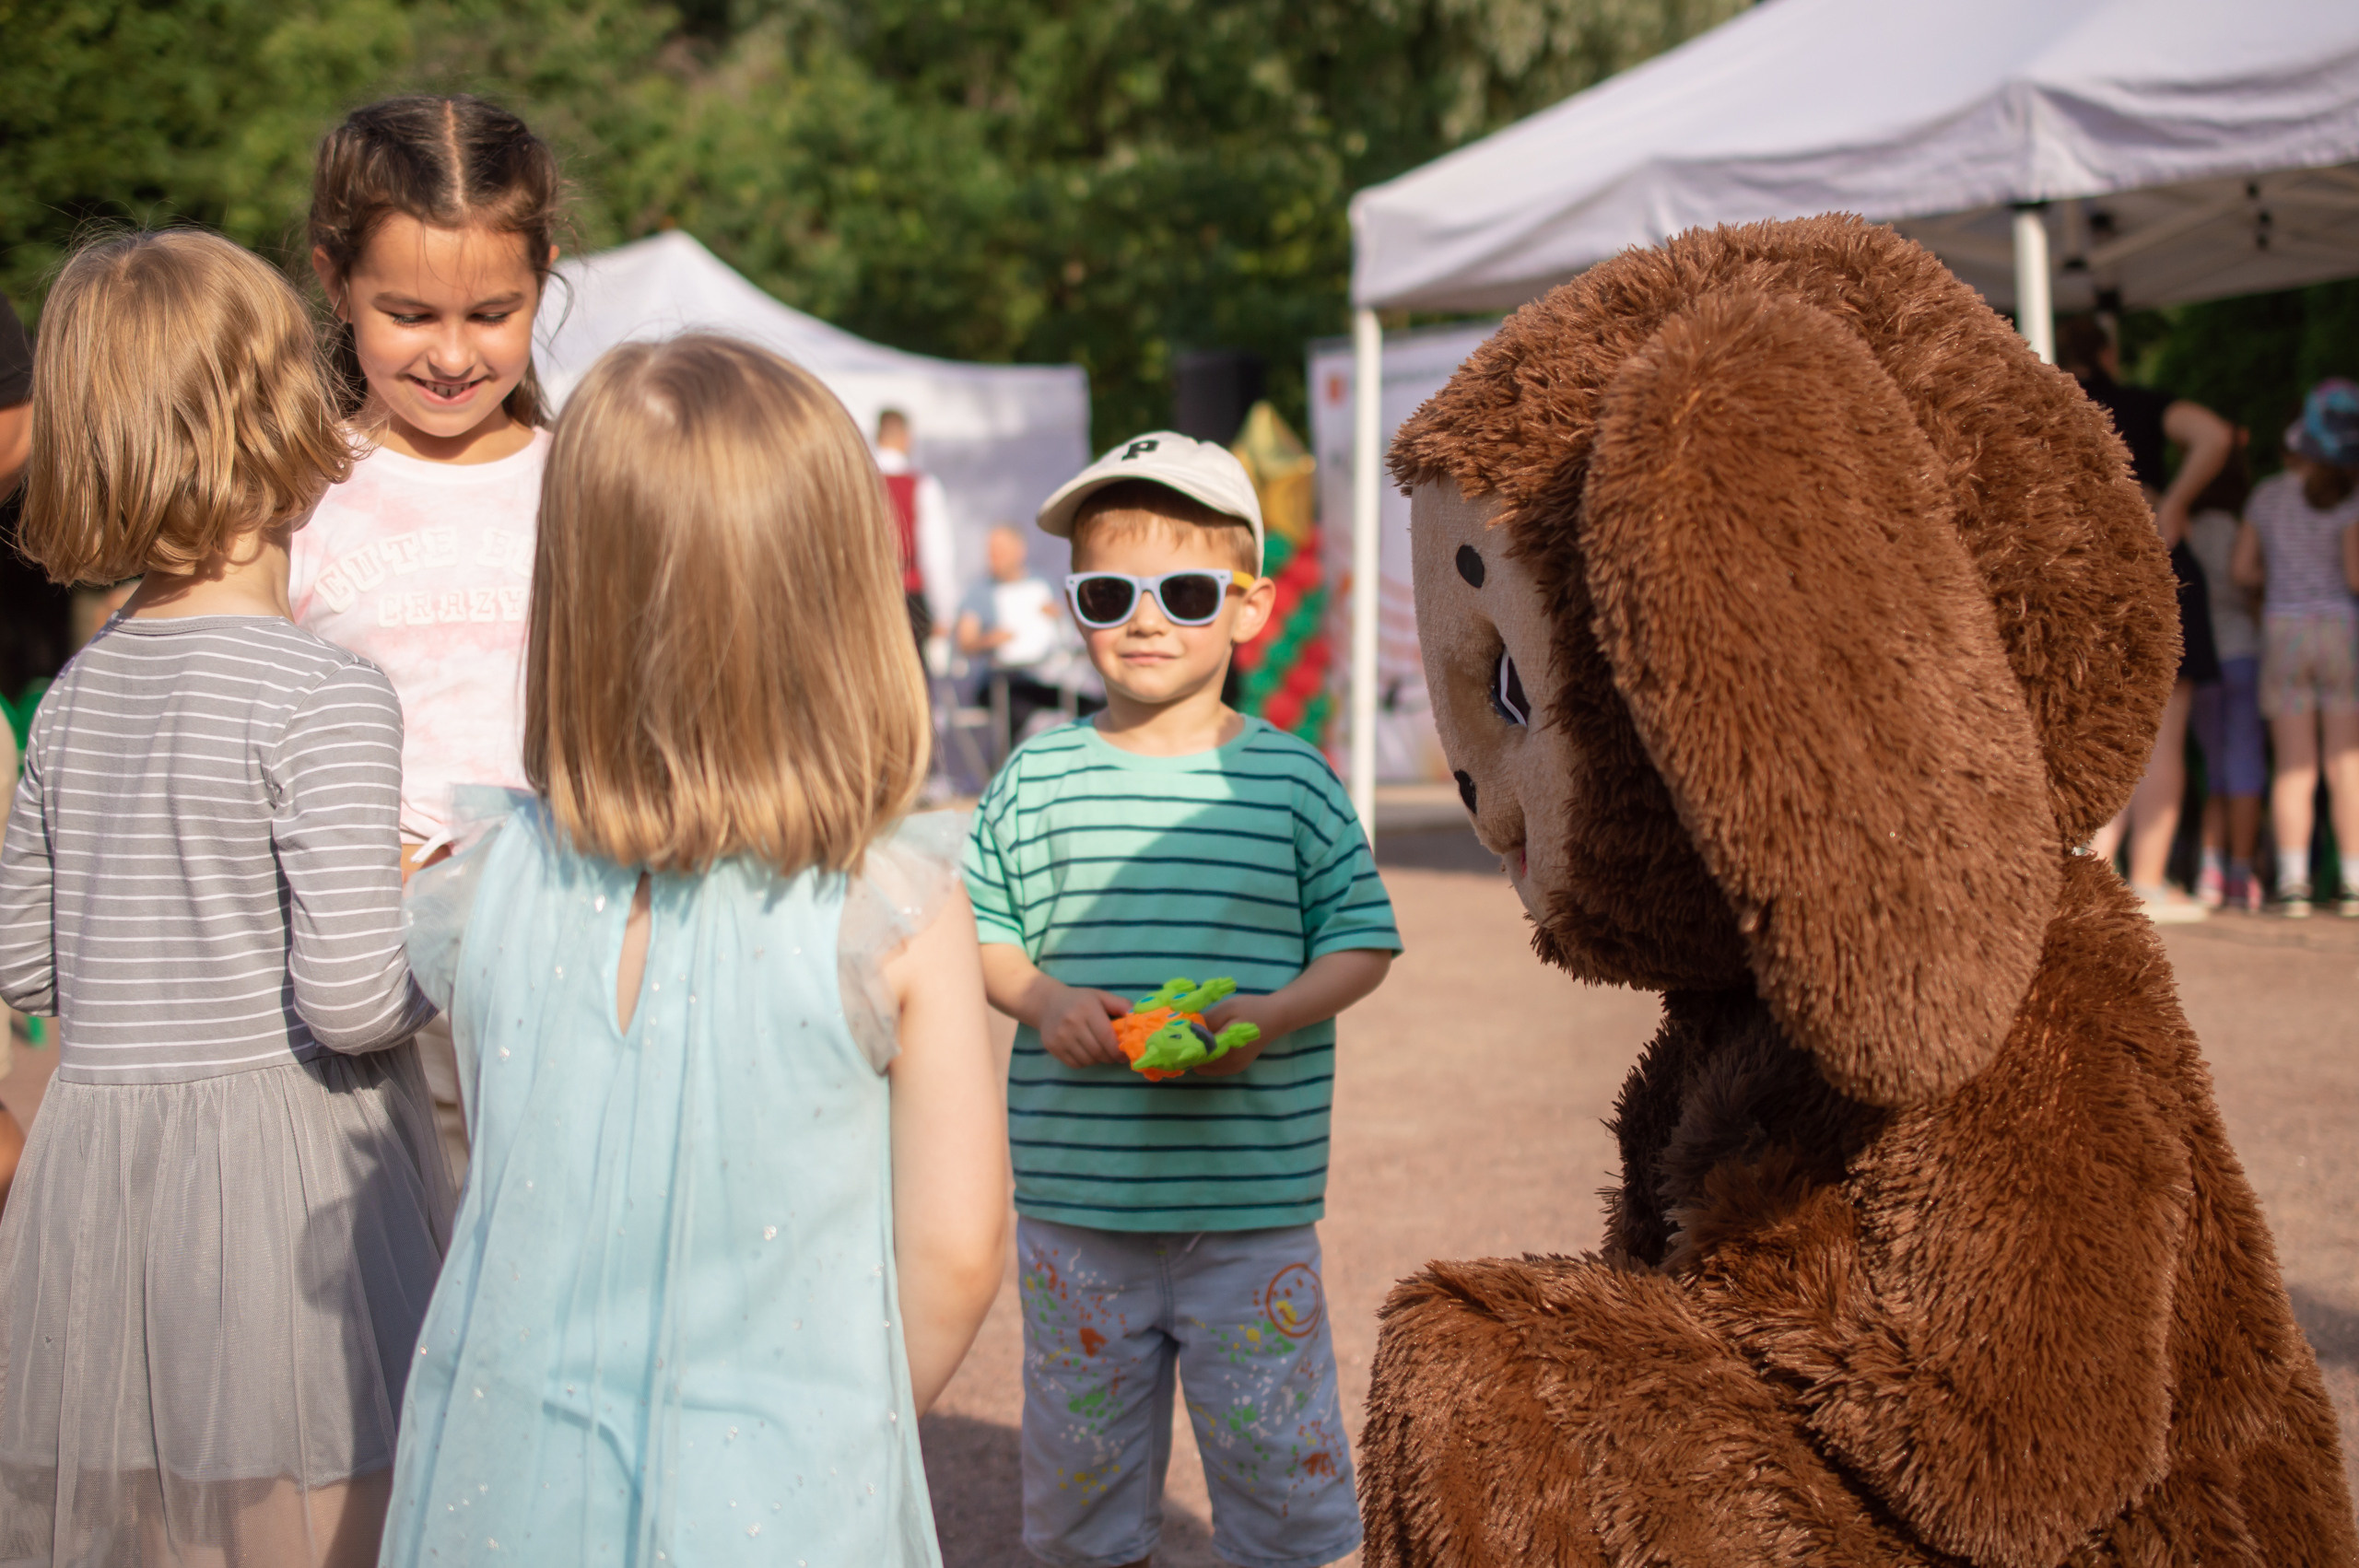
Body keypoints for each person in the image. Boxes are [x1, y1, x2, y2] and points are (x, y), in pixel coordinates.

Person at [381, 334, 1007, 1564]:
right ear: (840, 598)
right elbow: (956, 1249)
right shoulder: (898, 909)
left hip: (501, 1489)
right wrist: (839, 1426)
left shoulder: (477, 885)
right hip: (783, 1493)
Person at [0, 229, 451, 1565]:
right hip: (293, 1178)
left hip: (100, 1180)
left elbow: (26, 964)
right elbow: (357, 996)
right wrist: (444, 926)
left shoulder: (72, 700)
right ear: (291, 418)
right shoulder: (323, 693)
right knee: (319, 1528)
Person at [965, 432, 1400, 1568]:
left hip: (1247, 1211)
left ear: (1248, 608)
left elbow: (1361, 943)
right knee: (1081, 1483)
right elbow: (981, 930)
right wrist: (1041, 996)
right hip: (1078, 1207)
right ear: (1075, 606)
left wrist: (1268, 1016)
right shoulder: (1036, 774)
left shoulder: (1291, 778)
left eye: (1187, 591)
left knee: (1279, 1474)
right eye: (1110, 592)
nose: (1145, 618)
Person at [289, 94, 564, 1186]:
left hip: (564, 961)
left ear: (543, 274)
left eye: (492, 313)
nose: (452, 355)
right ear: (332, 280)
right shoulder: (296, 490)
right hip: (364, 984)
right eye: (408, 314)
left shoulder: (587, 475)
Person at [2060, 316, 2234, 919]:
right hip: (2159, 567)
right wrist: (2175, 502)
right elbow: (2214, 434)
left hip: (2087, 573)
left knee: (2097, 727)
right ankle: (2150, 881)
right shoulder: (2139, 403)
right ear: (2109, 351)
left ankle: (2093, 874)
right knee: (2162, 732)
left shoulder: (2051, 410)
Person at [2233, 377, 2359, 918]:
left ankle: (2293, 882)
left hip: (2283, 631)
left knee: (2293, 765)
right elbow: (2355, 577)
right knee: (2346, 762)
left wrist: (2274, 585)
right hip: (2340, 630)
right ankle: (2354, 882)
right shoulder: (2353, 498)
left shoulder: (2267, 495)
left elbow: (2241, 569)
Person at [2185, 441, 2266, 910]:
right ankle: (2241, 873)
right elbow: (2245, 585)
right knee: (2246, 772)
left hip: (2201, 658)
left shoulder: (2188, 528)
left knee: (2214, 772)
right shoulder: (2239, 526)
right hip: (2242, 653)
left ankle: (2208, 871)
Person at [955, 522, 1076, 750]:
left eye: (1000, 551)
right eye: (991, 552)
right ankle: (1009, 767)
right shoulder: (978, 592)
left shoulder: (1043, 583)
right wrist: (989, 640)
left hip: (1039, 674)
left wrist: (1059, 616)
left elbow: (1066, 633)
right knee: (1019, 711)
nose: (993, 558)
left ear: (1019, 551)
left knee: (1086, 705)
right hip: (998, 681)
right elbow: (965, 642)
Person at [875, 407, 957, 648]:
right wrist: (944, 610)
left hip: (865, 598)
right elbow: (937, 554)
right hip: (909, 597)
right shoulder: (922, 486)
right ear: (905, 438)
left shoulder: (859, 483)